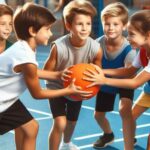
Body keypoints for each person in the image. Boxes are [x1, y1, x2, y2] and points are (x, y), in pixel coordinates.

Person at [0, 3, 92, 150]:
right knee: (30, 128)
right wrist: (68, 90)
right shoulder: (24, 55)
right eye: (47, 29)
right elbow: (38, 94)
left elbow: (32, 71)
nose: (50, 33)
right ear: (32, 31)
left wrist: (57, 74)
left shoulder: (24, 47)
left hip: (7, 101)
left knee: (32, 128)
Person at [83, 9, 150, 150]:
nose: (128, 37)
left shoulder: (133, 50)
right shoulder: (143, 50)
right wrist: (102, 71)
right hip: (149, 92)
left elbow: (134, 82)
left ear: (148, 35)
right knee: (129, 117)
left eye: (132, 34)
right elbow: (129, 70)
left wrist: (104, 80)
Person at [43, 0, 102, 150]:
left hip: (77, 88)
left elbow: (98, 71)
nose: (84, 28)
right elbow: (45, 73)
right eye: (79, 24)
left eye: (88, 23)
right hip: (56, 88)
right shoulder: (59, 47)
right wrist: (59, 75)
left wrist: (95, 82)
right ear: (68, 26)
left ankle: (66, 143)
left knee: (72, 122)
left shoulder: (95, 48)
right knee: (60, 122)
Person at [91, 2, 136, 150]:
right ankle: (108, 134)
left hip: (124, 82)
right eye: (107, 24)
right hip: (106, 83)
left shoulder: (129, 48)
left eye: (116, 24)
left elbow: (128, 72)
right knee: (98, 115)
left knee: (124, 109)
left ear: (124, 26)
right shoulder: (97, 44)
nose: (111, 28)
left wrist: (103, 72)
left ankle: (129, 137)